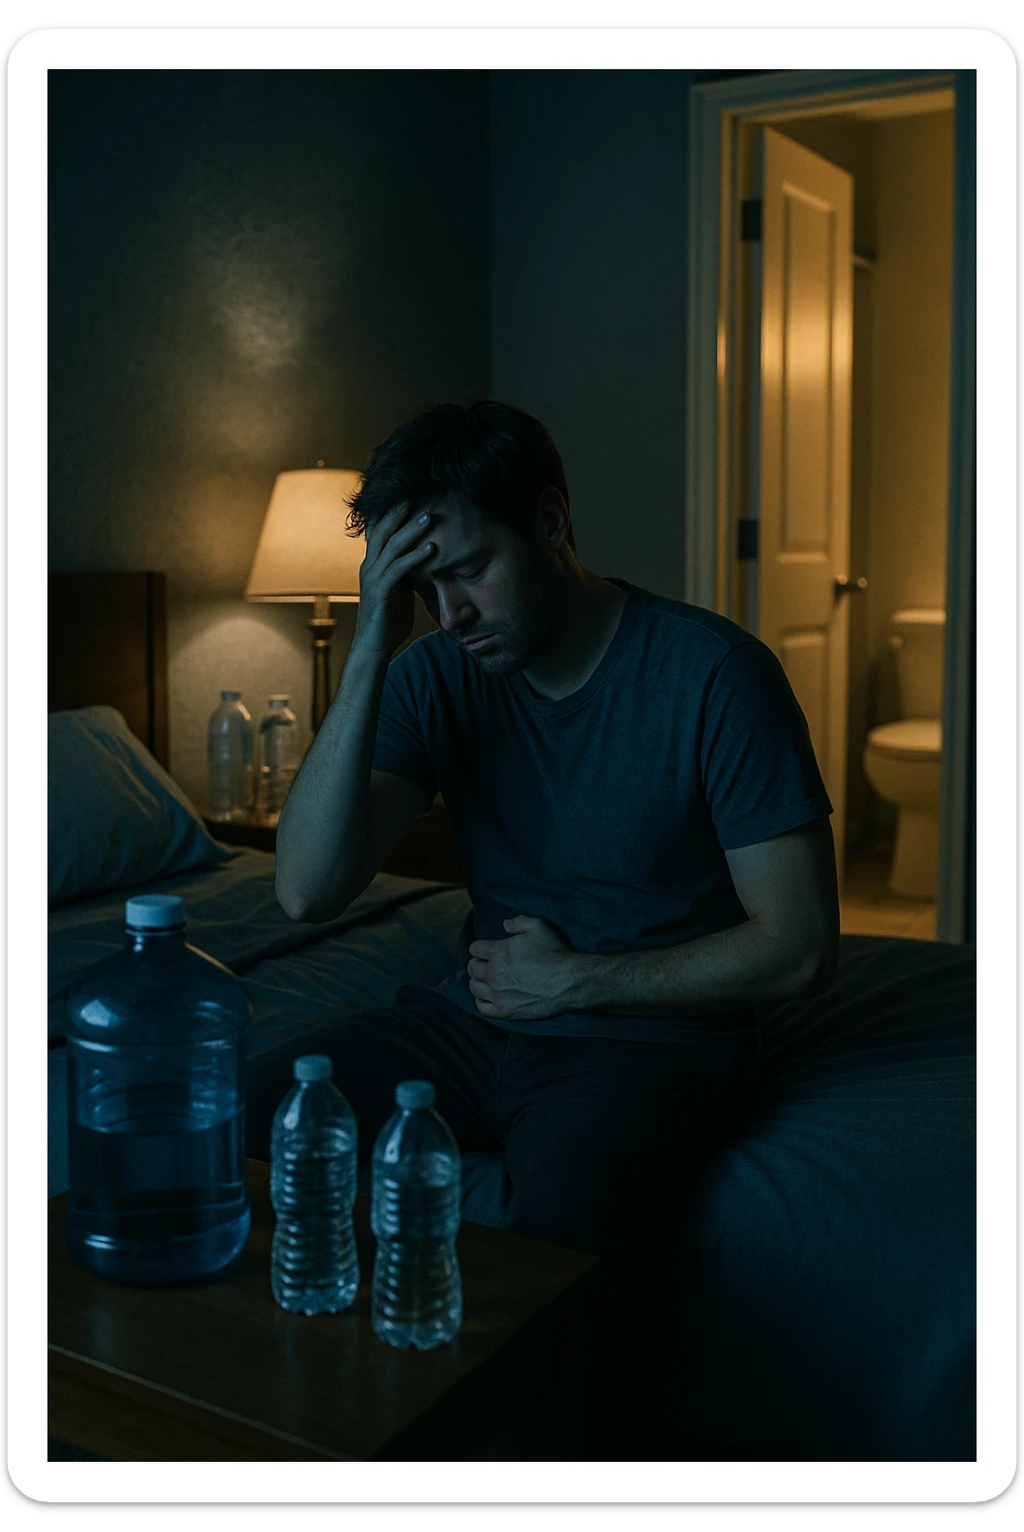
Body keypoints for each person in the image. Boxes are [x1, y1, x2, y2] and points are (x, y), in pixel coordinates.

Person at [246, 399, 839, 1456]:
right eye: (422, 588)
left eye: (468, 569)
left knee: (558, 1242)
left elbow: (794, 946)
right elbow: (306, 891)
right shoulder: (431, 672)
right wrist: (373, 644)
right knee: (249, 1119)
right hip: (475, 1013)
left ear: (553, 525)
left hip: (641, 1037)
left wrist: (577, 984)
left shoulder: (715, 676)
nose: (452, 611)